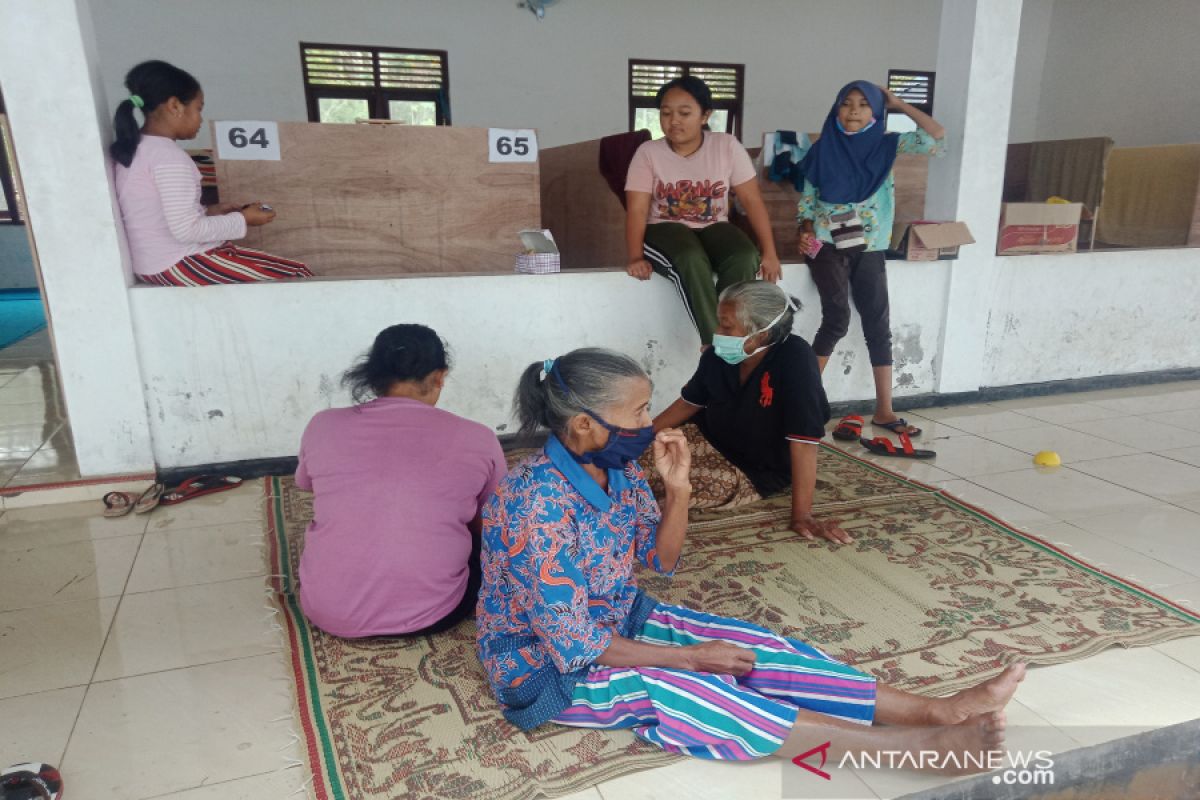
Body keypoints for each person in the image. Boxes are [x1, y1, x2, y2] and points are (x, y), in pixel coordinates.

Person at [476, 347, 1025, 768]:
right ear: (585, 425)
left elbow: (660, 560)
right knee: (699, 690)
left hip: (616, 616)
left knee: (755, 650)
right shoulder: (533, 505)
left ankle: (937, 710)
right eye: (640, 412)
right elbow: (573, 644)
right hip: (544, 665)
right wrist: (689, 659)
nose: (652, 424)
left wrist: (680, 490)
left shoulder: (615, 470)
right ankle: (923, 747)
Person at [294, 324, 506, 638]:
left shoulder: (322, 426)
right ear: (439, 377)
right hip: (435, 612)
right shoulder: (478, 438)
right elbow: (493, 522)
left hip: (328, 611)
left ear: (371, 374)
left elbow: (306, 483)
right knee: (487, 536)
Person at [797, 81, 945, 438]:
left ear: (876, 113)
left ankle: (884, 410)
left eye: (864, 105)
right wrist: (803, 229)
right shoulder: (822, 150)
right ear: (835, 108)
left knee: (878, 325)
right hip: (827, 243)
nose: (853, 110)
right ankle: (801, 405)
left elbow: (936, 136)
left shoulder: (887, 144)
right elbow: (808, 200)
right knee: (837, 319)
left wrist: (897, 102)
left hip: (871, 245)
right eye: (846, 103)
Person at [651, 280, 849, 543]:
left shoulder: (796, 359)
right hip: (706, 438)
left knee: (663, 491)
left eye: (726, 326)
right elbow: (689, 403)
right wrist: (635, 438)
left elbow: (803, 442)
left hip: (752, 469)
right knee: (630, 462)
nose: (717, 332)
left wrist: (802, 514)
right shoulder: (717, 355)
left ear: (761, 334)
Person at [111, 60, 313, 285]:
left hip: (153, 262)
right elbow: (187, 231)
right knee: (299, 276)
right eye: (198, 109)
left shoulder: (139, 148)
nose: (200, 119)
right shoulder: (168, 158)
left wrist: (211, 212)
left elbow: (157, 215)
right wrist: (244, 219)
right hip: (179, 261)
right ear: (175, 106)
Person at [625, 76, 782, 347]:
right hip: (663, 228)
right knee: (690, 257)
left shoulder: (727, 146)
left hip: (713, 227)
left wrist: (769, 252)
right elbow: (637, 210)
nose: (674, 121)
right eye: (666, 113)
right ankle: (716, 347)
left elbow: (752, 201)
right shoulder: (648, 153)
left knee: (745, 255)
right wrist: (635, 256)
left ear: (705, 115)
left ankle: (731, 328)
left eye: (684, 113)